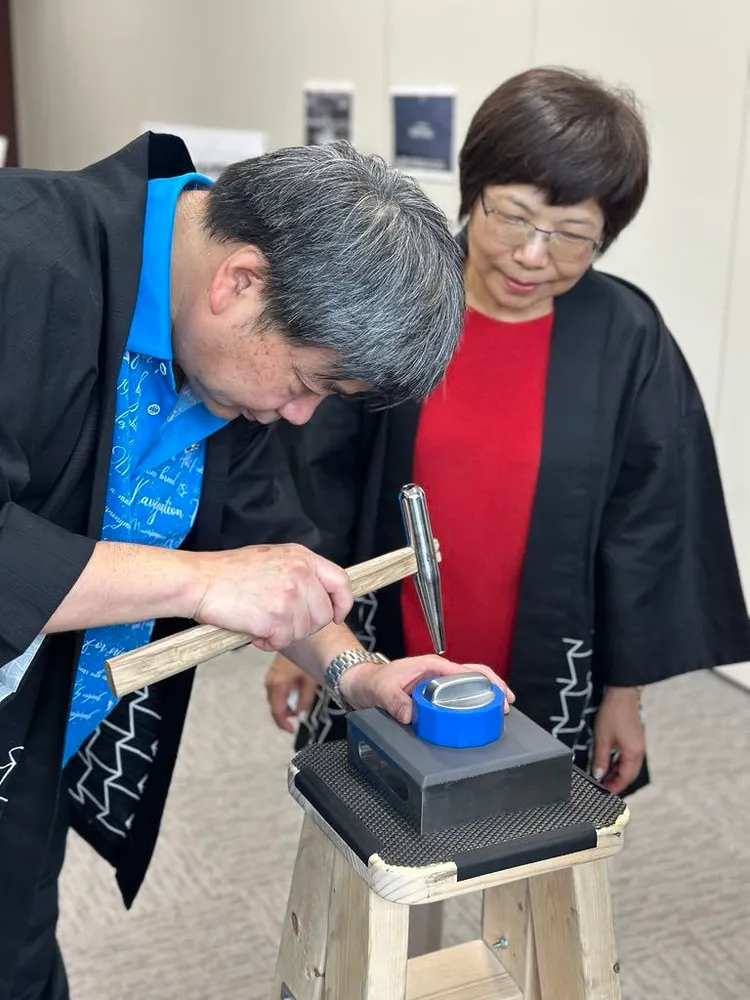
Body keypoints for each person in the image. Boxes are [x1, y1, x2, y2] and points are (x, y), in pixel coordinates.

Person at [0, 133, 516, 1000]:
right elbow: (223, 571)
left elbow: (265, 543)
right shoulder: (21, 263)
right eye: (310, 381)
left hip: (29, 743)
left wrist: (360, 674)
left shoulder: (222, 360)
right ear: (239, 282)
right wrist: (201, 581)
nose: (302, 413)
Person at [265, 67, 750, 797]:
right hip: (380, 647)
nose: (532, 255)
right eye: (513, 217)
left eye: (571, 236)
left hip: (550, 662)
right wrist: (300, 644)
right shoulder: (398, 301)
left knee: (529, 853)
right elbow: (318, 478)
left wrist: (624, 695)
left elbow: (645, 530)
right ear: (473, 192)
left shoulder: (626, 337)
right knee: (378, 843)